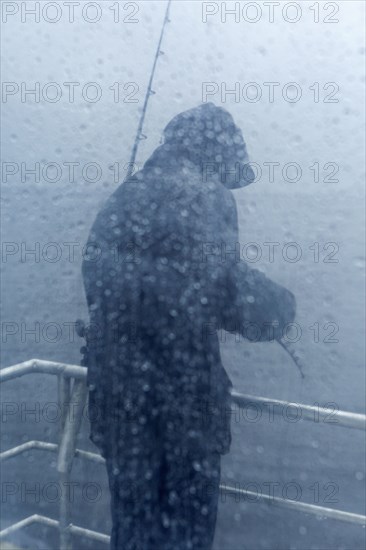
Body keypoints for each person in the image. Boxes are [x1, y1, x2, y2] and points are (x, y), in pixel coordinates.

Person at [81, 102, 296, 550]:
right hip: (181, 417)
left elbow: (116, 285)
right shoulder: (208, 195)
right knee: (185, 536)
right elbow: (218, 288)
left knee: (134, 529)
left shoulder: (124, 195)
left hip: (121, 410)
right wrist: (280, 309)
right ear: (216, 153)